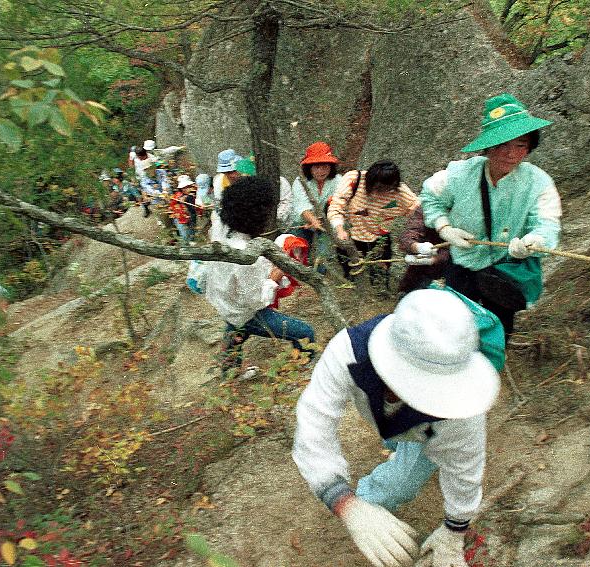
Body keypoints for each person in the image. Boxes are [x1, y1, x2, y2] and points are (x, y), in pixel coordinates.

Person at [293, 289, 500, 567]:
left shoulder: (463, 409)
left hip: (427, 433)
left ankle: (374, 497)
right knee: (391, 439)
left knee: (394, 488)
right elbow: (314, 421)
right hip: (389, 422)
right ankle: (388, 459)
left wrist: (454, 531)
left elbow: (465, 467)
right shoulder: (349, 351)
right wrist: (344, 502)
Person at [420, 92, 561, 339]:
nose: (511, 154)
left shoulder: (538, 183)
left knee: (499, 324)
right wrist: (444, 228)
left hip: (503, 266)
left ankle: (493, 356)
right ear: (488, 147)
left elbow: (547, 224)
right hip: (463, 261)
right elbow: (431, 195)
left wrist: (533, 243)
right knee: (455, 321)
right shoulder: (460, 175)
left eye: (521, 145)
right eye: (502, 145)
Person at [205, 176, 315, 377]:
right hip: (247, 311)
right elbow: (257, 301)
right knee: (307, 333)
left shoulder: (221, 227)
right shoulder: (247, 256)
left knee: (235, 333)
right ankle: (300, 373)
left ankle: (229, 374)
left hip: (225, 301)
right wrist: (274, 277)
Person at [327, 160, 419, 287]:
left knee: (379, 280)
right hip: (351, 236)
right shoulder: (354, 179)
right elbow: (336, 205)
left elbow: (418, 211)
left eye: (384, 189)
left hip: (379, 239)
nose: (377, 194)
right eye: (376, 188)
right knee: (352, 277)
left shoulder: (400, 192)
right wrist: (339, 230)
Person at [291, 142, 343, 267]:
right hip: (302, 223)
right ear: (309, 168)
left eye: (325, 166)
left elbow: (338, 203)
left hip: (328, 222)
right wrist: (313, 221)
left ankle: (320, 277)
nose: (321, 171)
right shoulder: (300, 182)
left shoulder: (338, 181)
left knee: (323, 256)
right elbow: (302, 206)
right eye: (316, 167)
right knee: (298, 252)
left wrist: (324, 222)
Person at [397, 206, 450, 294]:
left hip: (456, 272)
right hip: (421, 272)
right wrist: (416, 247)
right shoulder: (427, 207)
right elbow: (409, 234)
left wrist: (435, 259)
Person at [169, 175, 196, 244]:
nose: (187, 189)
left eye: (189, 187)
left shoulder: (191, 195)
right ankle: (185, 247)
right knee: (185, 235)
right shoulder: (177, 196)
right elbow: (172, 204)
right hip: (180, 219)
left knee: (191, 234)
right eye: (184, 188)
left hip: (189, 217)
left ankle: (191, 245)